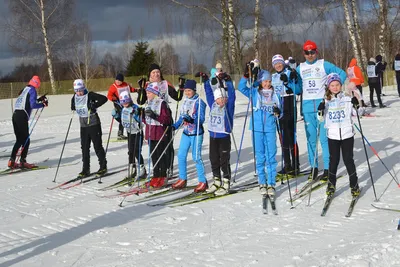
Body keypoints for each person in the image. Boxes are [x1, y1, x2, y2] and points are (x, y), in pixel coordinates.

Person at [294, 40, 346, 181]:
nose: (310, 55)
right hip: (307, 107)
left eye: (312, 52)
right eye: (307, 52)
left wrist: (332, 88)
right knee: (311, 140)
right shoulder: (300, 68)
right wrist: (292, 81)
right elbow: (297, 89)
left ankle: (328, 168)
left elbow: (342, 73)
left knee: (324, 139)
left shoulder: (323, 64)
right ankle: (314, 167)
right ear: (303, 53)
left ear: (316, 52)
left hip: (322, 106)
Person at [238, 68, 282, 197]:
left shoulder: (276, 94)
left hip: (270, 128)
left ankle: (271, 183)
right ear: (260, 82)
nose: (267, 84)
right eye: (264, 81)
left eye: (269, 81)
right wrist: (246, 76)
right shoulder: (255, 92)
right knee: (260, 156)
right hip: (257, 128)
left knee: (271, 156)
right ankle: (262, 182)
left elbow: (281, 112)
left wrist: (278, 113)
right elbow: (241, 88)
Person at [317, 73, 361, 197]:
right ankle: (331, 185)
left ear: (341, 85)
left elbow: (357, 111)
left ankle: (354, 185)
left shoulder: (346, 98)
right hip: (333, 135)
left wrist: (356, 103)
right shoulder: (326, 101)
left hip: (347, 134)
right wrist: (320, 110)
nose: (335, 87)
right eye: (332, 85)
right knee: (334, 161)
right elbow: (320, 119)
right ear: (329, 87)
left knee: (348, 160)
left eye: (337, 85)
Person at [137, 64, 183, 178]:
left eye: (158, 72)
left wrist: (181, 87)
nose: (156, 74)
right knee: (155, 147)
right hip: (151, 120)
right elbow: (141, 101)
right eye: (153, 72)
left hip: (164, 116)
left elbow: (177, 97)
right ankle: (158, 171)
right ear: (149, 75)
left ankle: (168, 168)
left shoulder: (165, 84)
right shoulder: (146, 85)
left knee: (167, 145)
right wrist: (142, 89)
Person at [201, 70, 236, 195]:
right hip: (213, 136)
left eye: (223, 98)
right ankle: (217, 180)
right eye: (219, 99)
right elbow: (209, 93)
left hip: (224, 136)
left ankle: (226, 181)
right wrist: (206, 81)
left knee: (224, 160)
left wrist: (228, 80)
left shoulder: (228, 106)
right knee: (213, 159)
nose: (221, 101)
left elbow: (232, 94)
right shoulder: (213, 104)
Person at [170, 80, 208, 193]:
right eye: (185, 90)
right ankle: (182, 179)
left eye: (189, 90)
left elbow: (201, 119)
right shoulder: (185, 101)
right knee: (181, 155)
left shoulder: (199, 102)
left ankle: (202, 181)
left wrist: (191, 119)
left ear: (194, 90)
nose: (187, 93)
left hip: (196, 133)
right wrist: (174, 126)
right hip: (186, 133)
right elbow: (182, 118)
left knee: (196, 157)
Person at [8, 75, 48, 168]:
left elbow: (28, 103)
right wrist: (43, 104)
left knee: (19, 140)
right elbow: (33, 105)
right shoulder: (32, 90)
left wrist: (39, 100)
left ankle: (12, 160)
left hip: (15, 115)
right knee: (26, 139)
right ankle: (23, 161)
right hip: (22, 116)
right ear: (37, 84)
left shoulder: (25, 89)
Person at [71, 79, 108, 178]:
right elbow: (73, 105)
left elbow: (104, 98)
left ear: (84, 88)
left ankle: (103, 166)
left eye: (80, 90)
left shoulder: (90, 95)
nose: (79, 92)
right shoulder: (75, 97)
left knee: (97, 146)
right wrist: (74, 107)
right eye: (77, 90)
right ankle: (85, 169)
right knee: (84, 148)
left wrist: (94, 105)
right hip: (83, 126)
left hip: (93, 124)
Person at [271, 54, 300, 176]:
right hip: (278, 106)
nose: (278, 65)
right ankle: (287, 164)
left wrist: (289, 82)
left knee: (291, 135)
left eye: (280, 63)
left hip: (289, 103)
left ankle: (295, 165)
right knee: (283, 137)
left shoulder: (289, 72)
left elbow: (297, 88)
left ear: (283, 63)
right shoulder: (273, 77)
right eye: (275, 63)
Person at [142, 82, 172, 188]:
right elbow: (146, 121)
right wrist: (142, 116)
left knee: (160, 156)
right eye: (147, 93)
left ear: (155, 92)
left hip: (160, 133)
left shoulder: (162, 103)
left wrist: (154, 116)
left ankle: (163, 176)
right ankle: (155, 175)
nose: (147, 95)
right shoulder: (148, 103)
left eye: (149, 93)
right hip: (151, 133)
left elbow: (167, 120)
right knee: (153, 156)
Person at [119, 89, 147, 180]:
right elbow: (123, 121)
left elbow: (142, 121)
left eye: (126, 101)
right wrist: (116, 116)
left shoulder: (135, 108)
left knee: (136, 152)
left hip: (137, 132)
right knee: (130, 152)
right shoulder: (123, 109)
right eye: (123, 102)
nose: (125, 104)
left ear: (130, 100)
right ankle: (133, 168)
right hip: (130, 132)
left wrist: (137, 115)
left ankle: (143, 170)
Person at [107, 73, 137, 140]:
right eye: (117, 80)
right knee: (123, 118)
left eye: (119, 81)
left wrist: (136, 90)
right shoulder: (113, 86)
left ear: (122, 81)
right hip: (118, 103)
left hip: (127, 103)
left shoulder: (125, 84)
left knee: (129, 117)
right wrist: (114, 98)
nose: (118, 82)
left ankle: (131, 132)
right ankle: (120, 133)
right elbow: (109, 96)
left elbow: (130, 89)